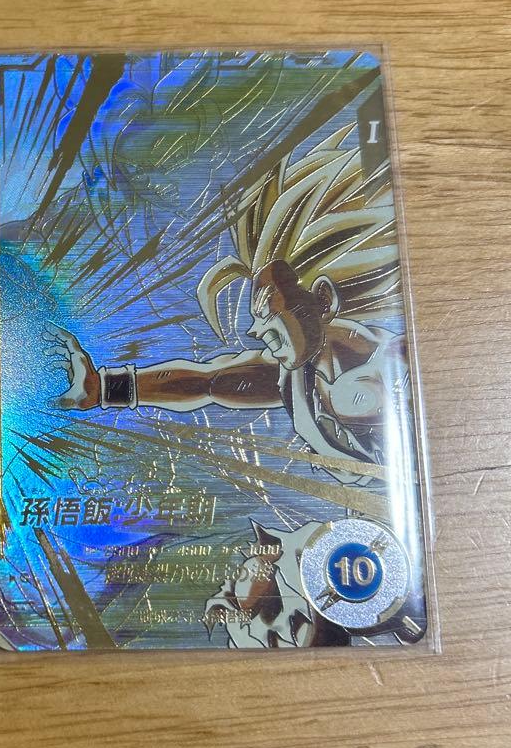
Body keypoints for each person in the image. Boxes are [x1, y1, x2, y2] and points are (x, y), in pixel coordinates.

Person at [50, 128, 408, 486]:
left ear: (323, 300)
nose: (257, 333)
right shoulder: (299, 375)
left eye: (270, 315)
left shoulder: (395, 363)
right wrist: (103, 388)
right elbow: (208, 382)